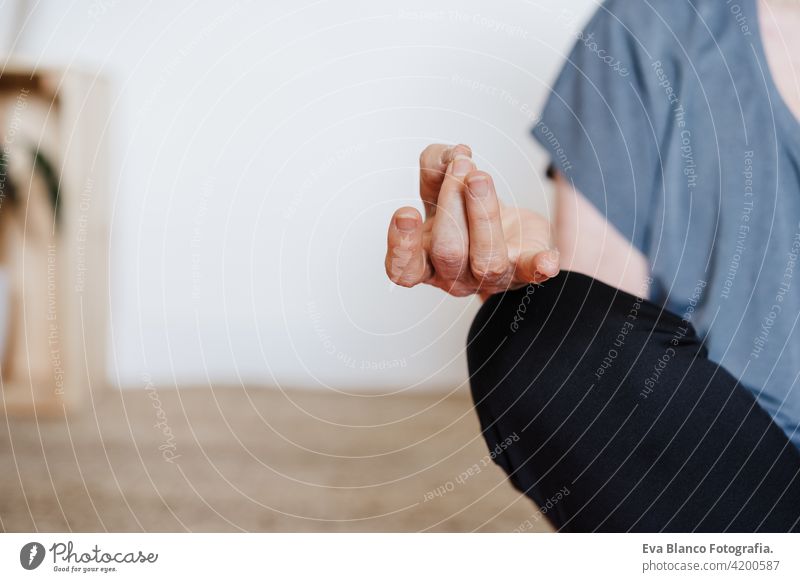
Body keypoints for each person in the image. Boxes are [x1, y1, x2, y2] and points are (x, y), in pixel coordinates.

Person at [384, 0, 800, 532]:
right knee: (540, 335)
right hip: (738, 478)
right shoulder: (649, 25)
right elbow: (607, 322)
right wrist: (541, 283)